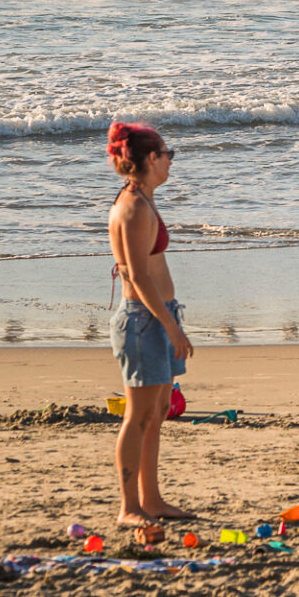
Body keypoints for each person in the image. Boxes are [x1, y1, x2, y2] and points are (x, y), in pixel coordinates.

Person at [105, 122, 192, 527]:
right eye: (166, 154)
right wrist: (171, 327)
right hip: (142, 320)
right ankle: (129, 508)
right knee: (138, 416)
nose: (171, 161)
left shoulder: (143, 199)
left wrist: (170, 318)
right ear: (150, 159)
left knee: (156, 412)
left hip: (156, 315)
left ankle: (151, 500)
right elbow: (138, 277)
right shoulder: (135, 207)